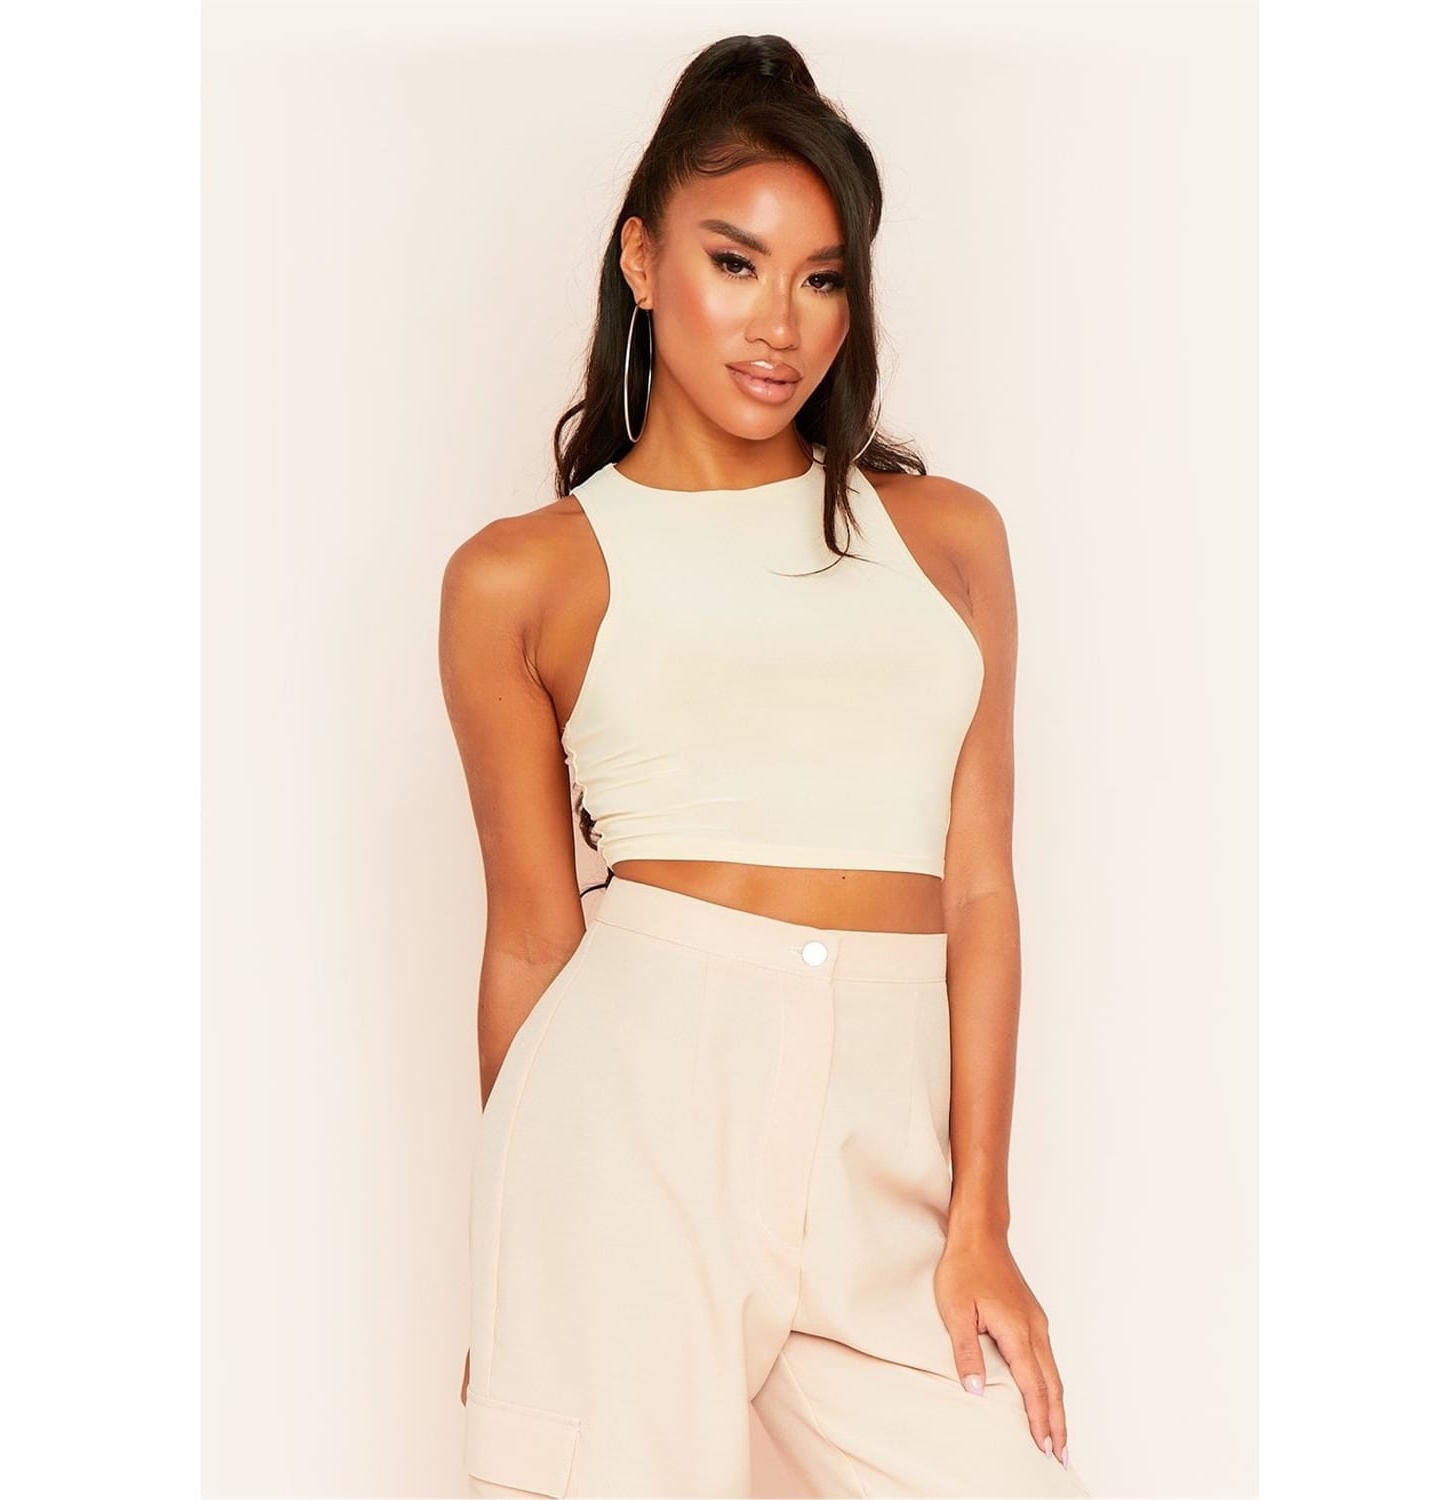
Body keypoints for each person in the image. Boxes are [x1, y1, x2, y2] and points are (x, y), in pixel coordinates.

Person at [438, 33, 1091, 1500]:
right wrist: (511, 1258)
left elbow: (980, 890)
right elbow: (531, 937)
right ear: (643, 260)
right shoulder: (524, 576)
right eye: (734, 263)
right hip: (628, 1131)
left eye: (823, 278)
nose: (780, 325)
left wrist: (980, 1215)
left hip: (882, 1158)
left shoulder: (946, 540)